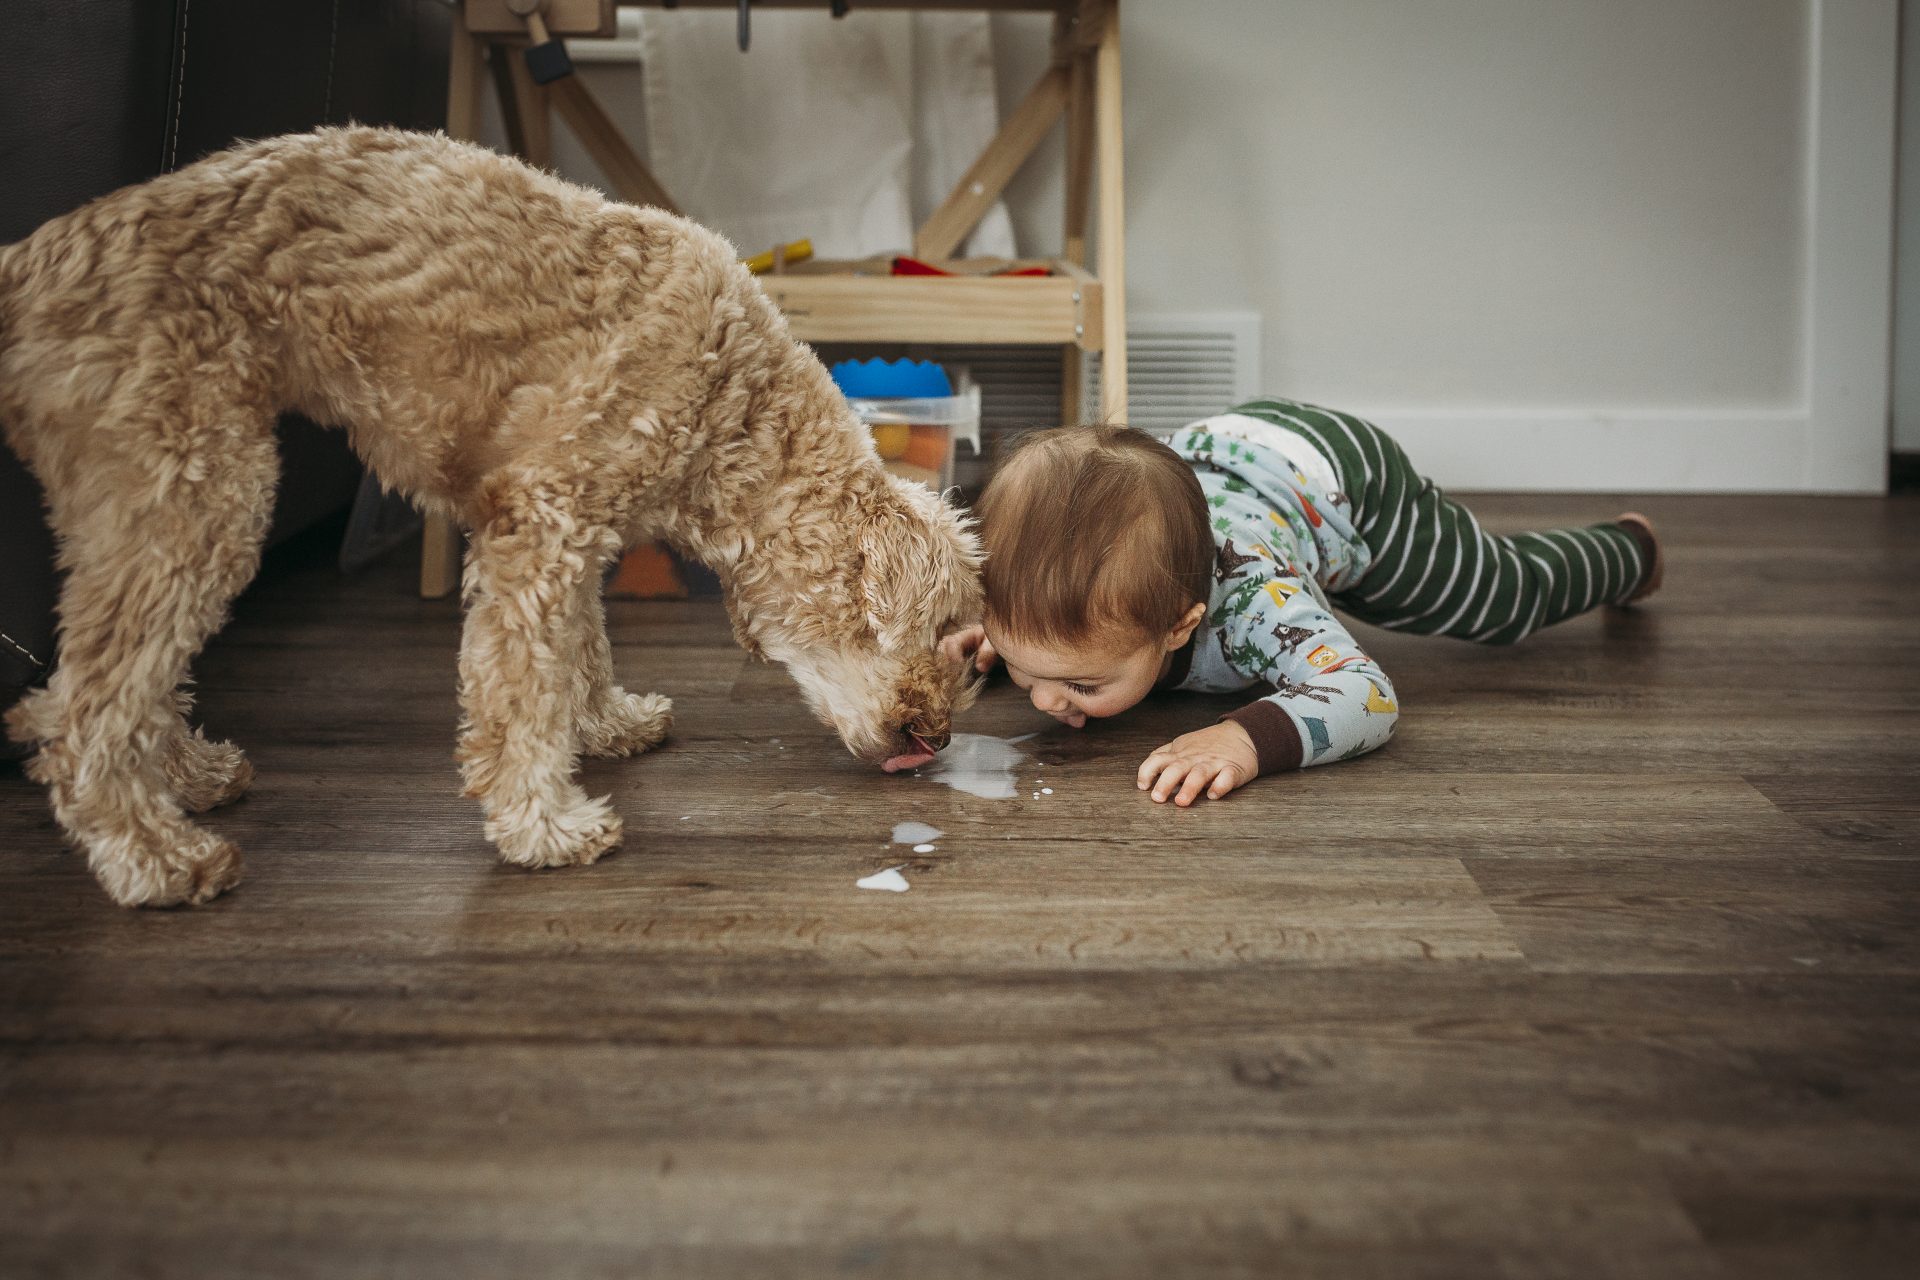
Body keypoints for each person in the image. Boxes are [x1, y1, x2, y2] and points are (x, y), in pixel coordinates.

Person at [940, 399, 1661, 807]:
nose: (1042, 701)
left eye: (1082, 684)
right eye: (1030, 671)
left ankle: (1629, 553)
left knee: (1497, 598)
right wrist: (996, 647)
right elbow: (1038, 618)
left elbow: (1365, 693)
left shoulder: (1255, 602)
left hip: (1342, 481)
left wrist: (1246, 740)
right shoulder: (1038, 595)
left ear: (1180, 626)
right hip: (1209, 458)